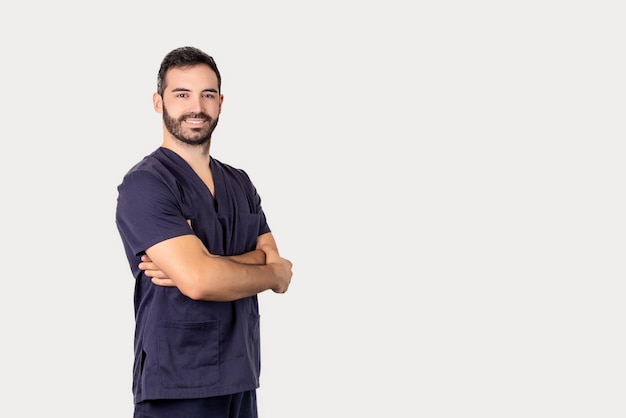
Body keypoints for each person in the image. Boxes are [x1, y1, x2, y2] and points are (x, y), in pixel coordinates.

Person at [115, 46, 293, 418]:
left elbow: (281, 269)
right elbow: (200, 282)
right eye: (182, 94)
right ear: (157, 101)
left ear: (220, 102)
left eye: (207, 95)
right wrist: (262, 268)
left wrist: (212, 262)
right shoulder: (147, 184)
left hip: (242, 377)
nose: (196, 106)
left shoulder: (239, 182)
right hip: (177, 384)